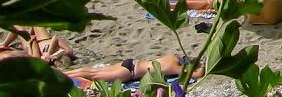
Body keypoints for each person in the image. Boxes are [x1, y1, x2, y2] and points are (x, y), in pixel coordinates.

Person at [65, 56, 203, 85]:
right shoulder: (173, 67)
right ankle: (65, 77)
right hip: (130, 73)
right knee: (94, 76)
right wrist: (202, 67)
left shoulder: (172, 57)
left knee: (91, 71)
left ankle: (64, 73)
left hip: (130, 62)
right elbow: (198, 74)